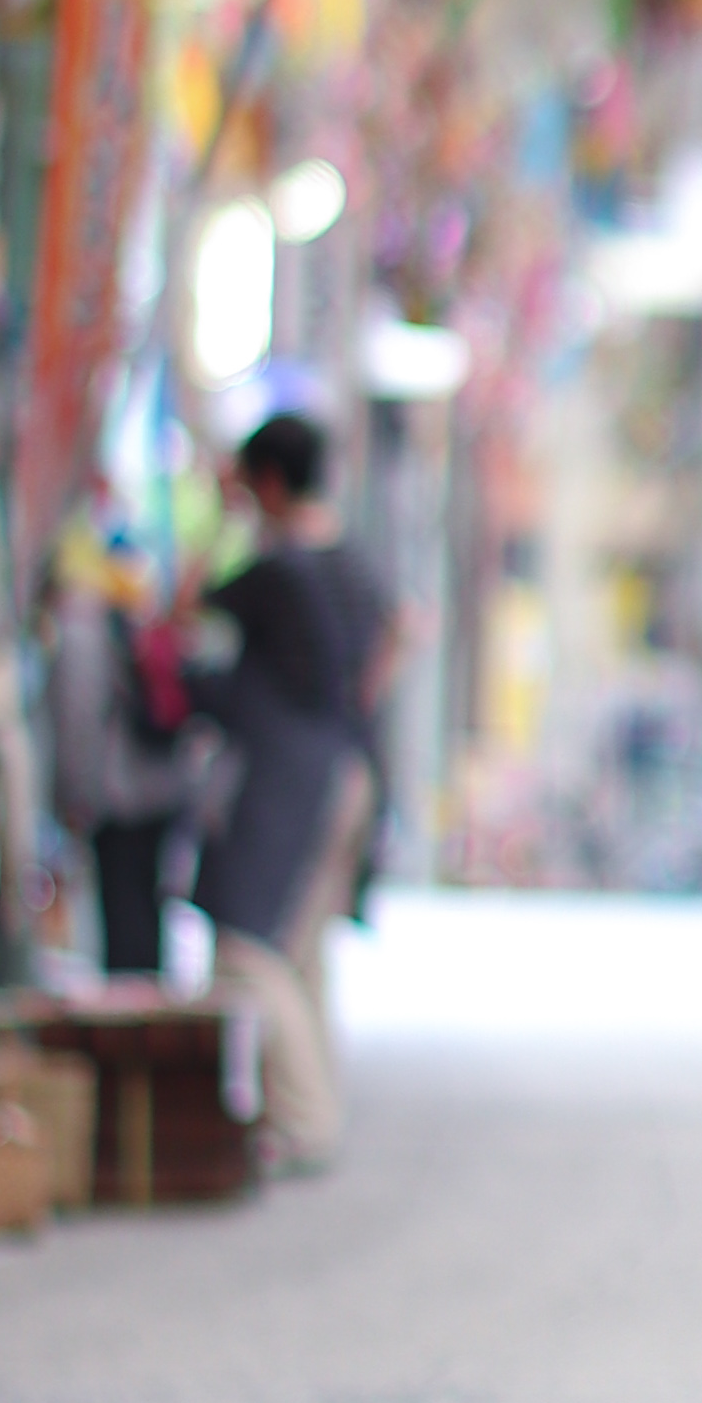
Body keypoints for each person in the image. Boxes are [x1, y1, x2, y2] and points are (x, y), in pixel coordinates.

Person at [189, 412, 399, 1168]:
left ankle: (307, 1122)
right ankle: (311, 1113)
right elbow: (400, 630)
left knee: (249, 947)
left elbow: (191, 608)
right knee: (303, 950)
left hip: (297, 778)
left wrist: (218, 521)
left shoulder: (282, 568)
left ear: (266, 482)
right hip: (349, 766)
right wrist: (357, 710)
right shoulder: (351, 559)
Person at [40, 523, 195, 977]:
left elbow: (78, 716)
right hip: (161, 783)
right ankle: (150, 1017)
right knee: (147, 910)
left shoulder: (79, 625)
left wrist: (72, 795)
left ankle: (134, 1026)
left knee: (123, 916)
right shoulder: (134, 615)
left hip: (118, 792)